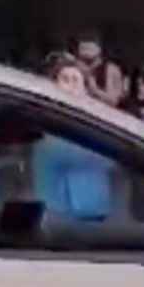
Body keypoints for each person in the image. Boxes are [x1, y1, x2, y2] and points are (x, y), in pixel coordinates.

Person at [34, 53, 116, 221]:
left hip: (91, 207)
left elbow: (111, 160)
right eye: (65, 79)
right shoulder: (43, 117)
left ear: (85, 88)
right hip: (55, 208)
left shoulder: (99, 119)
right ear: (54, 85)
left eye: (76, 80)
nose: (71, 85)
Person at [71, 34, 129, 108]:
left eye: (90, 61)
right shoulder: (76, 67)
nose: (86, 66)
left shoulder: (109, 70)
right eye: (83, 60)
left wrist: (94, 88)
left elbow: (113, 101)